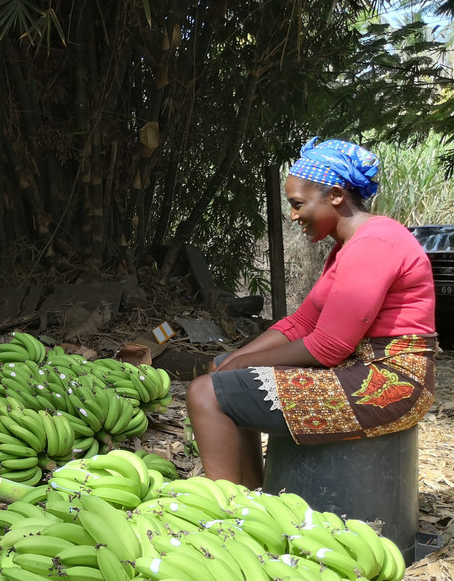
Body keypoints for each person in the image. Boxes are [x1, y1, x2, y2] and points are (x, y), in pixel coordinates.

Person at [186, 137, 437, 489]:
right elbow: (301, 323)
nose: (292, 215)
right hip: (358, 368)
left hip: (388, 383)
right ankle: (253, 496)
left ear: (335, 195)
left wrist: (244, 364)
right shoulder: (348, 246)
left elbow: (328, 346)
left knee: (205, 393)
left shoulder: (375, 244)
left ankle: (228, 512)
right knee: (220, 369)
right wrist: (238, 357)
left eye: (298, 204)